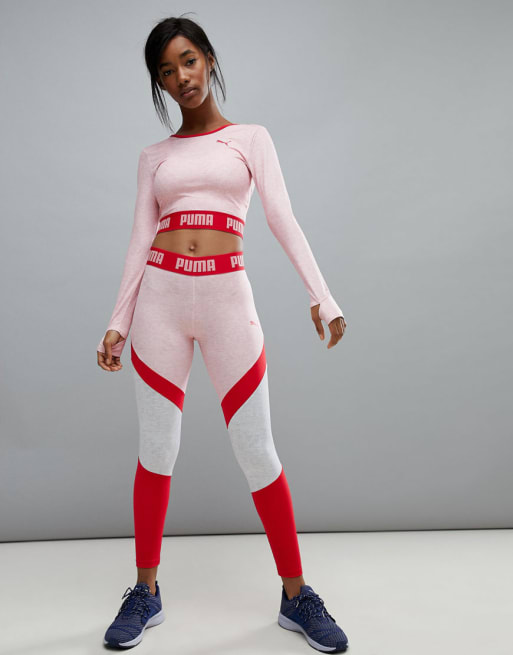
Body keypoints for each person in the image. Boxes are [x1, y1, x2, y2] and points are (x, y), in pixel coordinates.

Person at [97, 14, 349, 653]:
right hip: (160, 304)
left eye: (188, 61)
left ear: (208, 58)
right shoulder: (154, 158)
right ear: (159, 83)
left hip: (227, 302)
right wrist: (118, 322)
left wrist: (322, 297)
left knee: (257, 449)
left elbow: (281, 216)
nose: (181, 77)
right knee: (157, 450)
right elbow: (139, 239)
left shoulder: (250, 139)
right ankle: (145, 591)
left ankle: (297, 596)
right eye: (166, 71)